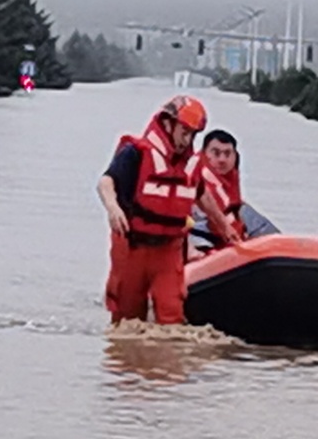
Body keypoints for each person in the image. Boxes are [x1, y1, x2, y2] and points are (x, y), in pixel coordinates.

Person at [98, 95, 238, 324]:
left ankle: (168, 359)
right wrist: (113, 209)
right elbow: (106, 182)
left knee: (172, 315)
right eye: (184, 131)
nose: (187, 139)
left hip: (168, 251)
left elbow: (201, 195)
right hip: (133, 247)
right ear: (167, 123)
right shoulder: (136, 153)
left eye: (193, 134)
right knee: (126, 320)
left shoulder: (191, 165)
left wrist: (224, 226)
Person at [189, 129, 248, 254]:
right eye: (216, 153)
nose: (222, 159)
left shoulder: (229, 176)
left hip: (220, 234)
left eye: (227, 154)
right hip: (196, 233)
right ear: (205, 153)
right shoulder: (198, 173)